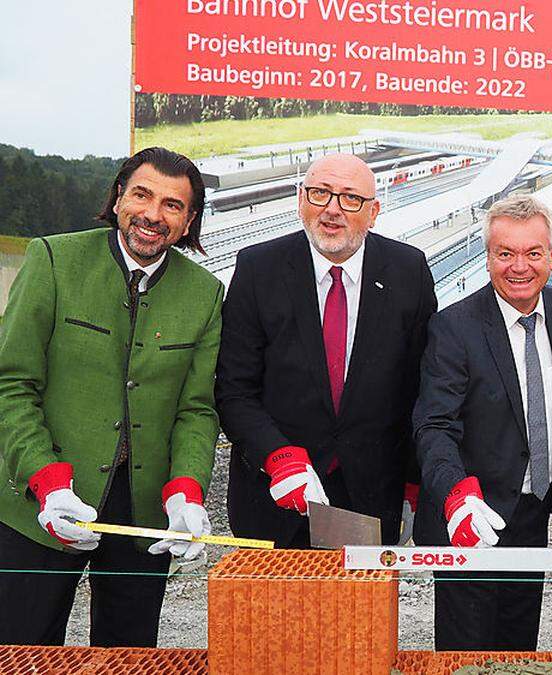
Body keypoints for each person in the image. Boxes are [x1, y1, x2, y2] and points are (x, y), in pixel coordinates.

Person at [0, 147, 222, 646]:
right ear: (118, 198)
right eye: (142, 195)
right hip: (42, 499)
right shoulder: (54, 259)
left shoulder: (204, 292)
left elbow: (196, 409)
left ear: (188, 222)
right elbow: (12, 384)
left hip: (143, 514)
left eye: (172, 205)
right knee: (21, 646)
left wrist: (187, 490)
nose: (152, 214)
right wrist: (47, 481)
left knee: (128, 653)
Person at [217, 154, 435, 548]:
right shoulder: (257, 269)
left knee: (357, 611)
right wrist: (278, 457)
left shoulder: (408, 272)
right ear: (301, 199)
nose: (332, 210)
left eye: (350, 198)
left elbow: (419, 389)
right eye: (320, 193)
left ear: (374, 212)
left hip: (369, 500)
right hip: (274, 495)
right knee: (272, 610)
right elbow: (234, 390)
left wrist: (414, 483)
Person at [412, 194, 552, 651]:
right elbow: (435, 425)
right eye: (505, 253)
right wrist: (457, 496)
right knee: (467, 650)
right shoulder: (454, 327)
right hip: (473, 517)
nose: (519, 267)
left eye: (533, 253)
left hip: (533, 511)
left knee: (518, 643)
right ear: (487, 255)